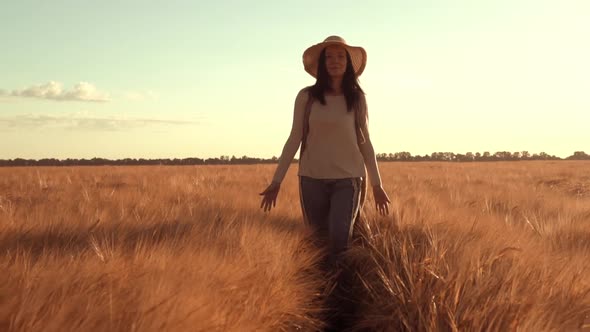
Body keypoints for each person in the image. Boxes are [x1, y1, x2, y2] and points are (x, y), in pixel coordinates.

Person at [259, 35, 390, 264]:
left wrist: (378, 185)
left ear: (349, 62)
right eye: (329, 57)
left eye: (340, 56)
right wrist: (276, 182)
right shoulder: (306, 97)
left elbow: (365, 141)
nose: (334, 61)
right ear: (321, 63)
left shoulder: (357, 98)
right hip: (312, 179)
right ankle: (322, 292)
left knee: (340, 242)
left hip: (348, 180)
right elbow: (294, 138)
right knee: (317, 243)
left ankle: (340, 288)